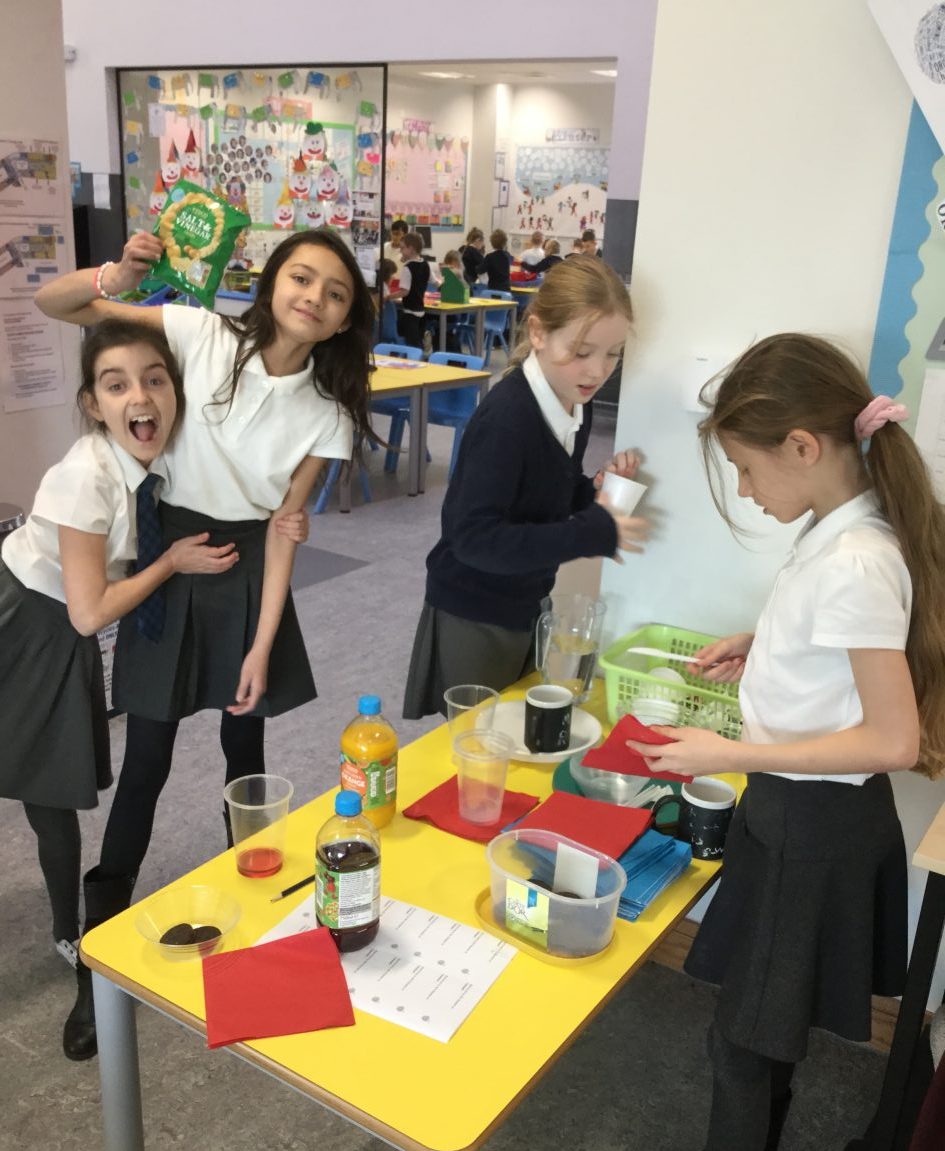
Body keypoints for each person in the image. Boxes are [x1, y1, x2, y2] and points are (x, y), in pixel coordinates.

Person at [624, 333, 945, 1151]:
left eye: (744, 468)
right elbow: (832, 644)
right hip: (792, 815)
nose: (744, 490)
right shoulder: (842, 529)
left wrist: (732, 748)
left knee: (740, 1040)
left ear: (802, 447)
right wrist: (757, 640)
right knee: (763, 1019)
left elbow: (891, 740)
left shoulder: (857, 558)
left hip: (815, 825)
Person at [35, 227, 377, 1054]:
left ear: (344, 319)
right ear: (272, 281)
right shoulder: (201, 333)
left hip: (247, 568)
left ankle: (254, 935)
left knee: (243, 753)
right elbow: (58, 303)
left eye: (334, 293)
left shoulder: (328, 410)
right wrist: (119, 273)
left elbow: (285, 530)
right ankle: (97, 965)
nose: (314, 297)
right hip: (174, 551)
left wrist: (262, 644)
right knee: (147, 762)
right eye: (302, 277)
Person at [0, 319, 240, 1059]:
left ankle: (71, 930)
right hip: (31, 618)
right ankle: (75, 937)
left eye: (155, 379)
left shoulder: (158, 457)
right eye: (116, 384)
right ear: (92, 403)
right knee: (44, 778)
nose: (140, 396)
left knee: (50, 781)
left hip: (57, 624)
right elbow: (89, 611)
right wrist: (169, 564)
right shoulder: (86, 476)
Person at [403, 257, 648, 717]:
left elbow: (542, 493)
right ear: (537, 332)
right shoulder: (508, 418)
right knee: (479, 737)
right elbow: (474, 539)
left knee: (516, 726)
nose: (598, 370)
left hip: (524, 597)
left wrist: (588, 491)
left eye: (613, 354)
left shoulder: (573, 400)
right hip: (474, 609)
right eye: (582, 351)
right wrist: (592, 532)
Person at [396, 231, 430, 350]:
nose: (400, 251)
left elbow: (404, 292)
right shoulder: (425, 264)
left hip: (410, 312)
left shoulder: (408, 268)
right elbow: (434, 281)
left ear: (411, 249)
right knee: (418, 343)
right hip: (421, 311)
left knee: (412, 345)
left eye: (402, 248)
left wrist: (388, 296)